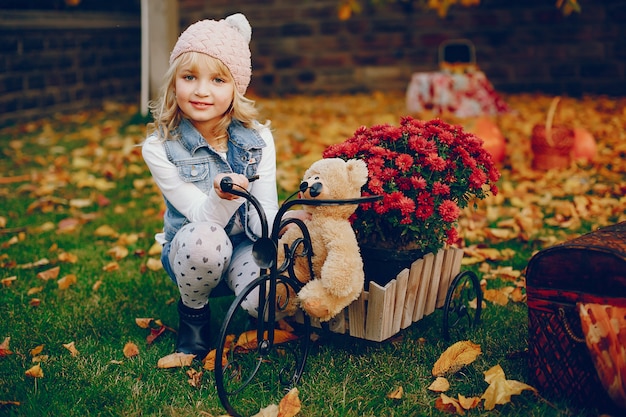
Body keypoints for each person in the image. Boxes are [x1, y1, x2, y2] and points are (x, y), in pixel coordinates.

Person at [142, 13, 291, 360]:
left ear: (236, 88)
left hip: (244, 247)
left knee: (273, 300)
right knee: (205, 241)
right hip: (194, 249)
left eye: (218, 80)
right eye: (189, 76)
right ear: (174, 81)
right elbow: (198, 214)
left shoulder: (258, 140)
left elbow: (266, 207)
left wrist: (272, 227)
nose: (201, 91)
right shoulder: (161, 146)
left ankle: (258, 301)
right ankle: (194, 318)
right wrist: (222, 195)